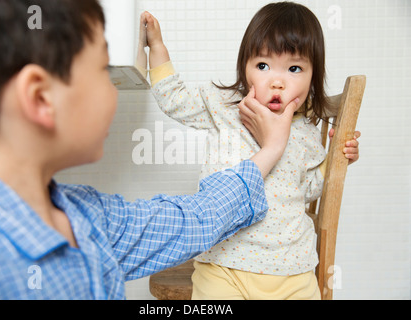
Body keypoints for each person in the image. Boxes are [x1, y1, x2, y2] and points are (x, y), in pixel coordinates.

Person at [0, 0, 299, 300]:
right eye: (103, 72)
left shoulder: (90, 218)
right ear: (40, 98)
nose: (115, 93)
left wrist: (272, 149)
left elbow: (197, 219)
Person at [139, 2, 361, 300]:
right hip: (223, 266)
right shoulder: (224, 106)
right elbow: (173, 99)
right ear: (244, 67)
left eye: (294, 68)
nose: (277, 81)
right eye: (262, 66)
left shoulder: (307, 132)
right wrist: (157, 45)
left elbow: (308, 190)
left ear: (313, 77)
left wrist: (336, 158)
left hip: (291, 270)